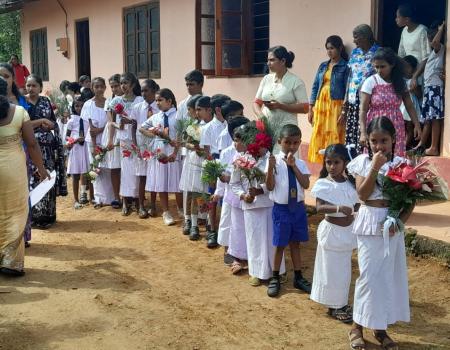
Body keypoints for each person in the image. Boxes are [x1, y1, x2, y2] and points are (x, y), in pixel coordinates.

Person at [347, 117, 412, 350]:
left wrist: (399, 222)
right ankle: (356, 326)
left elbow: (411, 201)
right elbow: (363, 195)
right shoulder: (362, 162)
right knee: (368, 276)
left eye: (384, 140)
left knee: (386, 277)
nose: (379, 146)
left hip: (391, 226)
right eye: (374, 141)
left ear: (393, 140)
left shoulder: (403, 164)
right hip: (369, 223)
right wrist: (375, 165)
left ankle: (380, 328)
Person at [0, 77, 48, 276]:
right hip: (13, 169)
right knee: (17, 211)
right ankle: (10, 261)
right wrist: (42, 169)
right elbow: (32, 144)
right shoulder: (19, 112)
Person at [310, 144, 358, 324]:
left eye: (336, 162)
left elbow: (356, 203)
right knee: (331, 270)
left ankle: (341, 302)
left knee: (343, 270)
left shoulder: (350, 184)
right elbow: (319, 207)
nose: (332, 166)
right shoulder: (324, 184)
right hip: (331, 232)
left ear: (345, 163)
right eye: (328, 162)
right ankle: (335, 305)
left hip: (347, 233)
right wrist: (338, 208)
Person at [231, 129, 285, 287]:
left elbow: (276, 184)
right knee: (254, 240)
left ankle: (277, 272)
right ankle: (256, 272)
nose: (257, 148)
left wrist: (260, 191)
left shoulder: (272, 160)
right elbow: (234, 184)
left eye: (261, 145)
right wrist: (243, 195)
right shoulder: (241, 160)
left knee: (272, 240)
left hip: (269, 205)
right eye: (254, 144)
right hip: (250, 206)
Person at [265, 124, 311, 297]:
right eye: (287, 142)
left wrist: (293, 167)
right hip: (282, 209)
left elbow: (305, 184)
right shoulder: (274, 161)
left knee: (296, 243)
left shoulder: (300, 163)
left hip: (298, 209)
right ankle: (275, 277)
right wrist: (270, 168)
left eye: (295, 143)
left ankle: (298, 277)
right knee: (280, 244)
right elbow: (269, 187)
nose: (292, 146)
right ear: (280, 142)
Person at [359, 47, 421, 156]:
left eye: (382, 66)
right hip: (375, 126)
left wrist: (417, 125)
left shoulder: (400, 83)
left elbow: (409, 106)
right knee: (376, 156)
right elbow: (363, 110)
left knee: (395, 157)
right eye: (376, 67)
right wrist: (363, 133)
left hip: (396, 125)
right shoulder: (370, 82)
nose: (379, 70)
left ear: (392, 65)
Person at [25, 74, 67, 229]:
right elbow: (23, 124)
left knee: (47, 177)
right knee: (32, 180)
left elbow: (53, 123)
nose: (31, 88)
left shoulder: (45, 101)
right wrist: (40, 122)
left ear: (40, 88)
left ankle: (48, 216)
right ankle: (33, 217)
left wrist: (49, 125)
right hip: (29, 148)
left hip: (47, 149)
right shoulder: (22, 102)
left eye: (34, 85)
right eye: (28, 85)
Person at [140, 88, 182, 225]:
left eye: (160, 100)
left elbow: (181, 135)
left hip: (174, 150)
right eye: (156, 100)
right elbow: (142, 128)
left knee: (177, 182)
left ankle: (181, 209)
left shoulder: (178, 116)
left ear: (169, 101)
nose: (157, 103)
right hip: (160, 151)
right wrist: (154, 134)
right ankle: (166, 212)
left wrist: (175, 152)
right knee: (161, 181)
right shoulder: (156, 117)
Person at [254, 46, 309, 148]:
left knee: (283, 161)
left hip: (286, 132)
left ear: (283, 61)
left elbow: (305, 108)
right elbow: (256, 103)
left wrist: (280, 106)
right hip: (267, 128)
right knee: (267, 161)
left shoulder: (296, 81)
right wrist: (260, 115)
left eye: (272, 60)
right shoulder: (266, 79)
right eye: (267, 60)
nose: (268, 63)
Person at [214, 116, 249, 265]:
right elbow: (221, 174)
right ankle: (227, 249)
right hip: (230, 194)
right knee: (228, 223)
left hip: (243, 194)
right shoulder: (227, 153)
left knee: (241, 226)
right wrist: (218, 192)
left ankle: (242, 253)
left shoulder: (248, 154)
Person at [308, 35, 349, 163]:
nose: (329, 51)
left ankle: (335, 162)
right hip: (321, 105)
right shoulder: (323, 66)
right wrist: (311, 107)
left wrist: (344, 110)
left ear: (340, 48)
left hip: (336, 104)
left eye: (332, 48)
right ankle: (323, 165)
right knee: (320, 133)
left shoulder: (346, 66)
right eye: (327, 48)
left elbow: (348, 90)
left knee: (334, 132)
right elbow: (315, 86)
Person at [343, 25, 379, 154]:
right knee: (352, 133)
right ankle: (353, 164)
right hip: (353, 99)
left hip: (369, 100)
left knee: (365, 131)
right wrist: (346, 97)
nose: (354, 41)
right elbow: (350, 76)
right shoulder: (355, 52)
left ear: (365, 37)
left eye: (356, 37)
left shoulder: (378, 53)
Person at [200, 94, 230, 248]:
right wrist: (215, 171)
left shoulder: (230, 124)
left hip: (230, 164)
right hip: (215, 165)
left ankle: (227, 230)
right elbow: (207, 152)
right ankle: (212, 229)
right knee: (213, 196)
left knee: (228, 199)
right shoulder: (208, 128)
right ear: (218, 109)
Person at [414, 22, 446, 156]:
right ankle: (421, 145)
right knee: (428, 118)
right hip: (429, 88)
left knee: (435, 119)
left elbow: (435, 43)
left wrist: (441, 29)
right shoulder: (434, 53)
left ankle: (433, 147)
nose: (429, 41)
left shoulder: (439, 49)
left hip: (434, 88)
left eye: (430, 38)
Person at [114, 73, 144, 216]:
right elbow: (112, 122)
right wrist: (120, 123)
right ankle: (126, 201)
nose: (123, 86)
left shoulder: (140, 99)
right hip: (125, 139)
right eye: (121, 83)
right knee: (126, 170)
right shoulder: (116, 101)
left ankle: (138, 201)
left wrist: (132, 121)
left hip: (137, 138)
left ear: (133, 84)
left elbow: (142, 120)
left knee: (138, 170)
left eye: (126, 83)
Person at [179, 95, 208, 238]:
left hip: (205, 162)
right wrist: (195, 147)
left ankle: (207, 221)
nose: (197, 113)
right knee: (191, 192)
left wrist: (202, 150)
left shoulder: (209, 125)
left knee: (204, 193)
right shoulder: (194, 126)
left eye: (199, 110)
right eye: (195, 110)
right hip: (193, 162)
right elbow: (186, 143)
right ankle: (190, 221)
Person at [131, 79, 160, 218]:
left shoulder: (159, 107)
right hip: (141, 144)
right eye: (142, 91)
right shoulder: (137, 107)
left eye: (146, 90)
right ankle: (141, 206)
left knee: (154, 175)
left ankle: (153, 205)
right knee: (142, 176)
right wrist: (135, 145)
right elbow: (133, 126)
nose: (143, 93)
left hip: (155, 144)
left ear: (154, 91)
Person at [82, 77, 112, 207]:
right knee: (94, 168)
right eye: (96, 86)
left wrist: (101, 130)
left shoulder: (109, 103)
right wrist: (94, 146)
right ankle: (95, 197)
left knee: (107, 168)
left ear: (105, 88)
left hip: (106, 139)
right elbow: (91, 127)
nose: (99, 89)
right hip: (93, 141)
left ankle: (110, 198)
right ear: (92, 88)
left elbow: (110, 122)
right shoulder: (88, 104)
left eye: (101, 86)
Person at [103, 74, 123, 209]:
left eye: (116, 85)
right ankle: (117, 196)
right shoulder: (110, 102)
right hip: (113, 133)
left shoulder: (131, 100)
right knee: (115, 167)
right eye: (112, 87)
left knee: (128, 167)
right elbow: (111, 122)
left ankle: (130, 196)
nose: (115, 89)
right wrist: (111, 139)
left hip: (127, 132)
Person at [66, 96, 90, 209]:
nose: (79, 108)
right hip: (76, 149)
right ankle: (76, 200)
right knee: (75, 175)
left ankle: (86, 195)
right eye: (76, 105)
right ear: (73, 107)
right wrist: (74, 140)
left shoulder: (87, 119)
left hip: (85, 148)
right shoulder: (71, 120)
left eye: (81, 105)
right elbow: (66, 136)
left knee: (86, 173)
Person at [396, 4, 431, 69]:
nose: (396, 19)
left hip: (420, 71)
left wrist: (415, 76)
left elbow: (426, 57)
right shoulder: (404, 30)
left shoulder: (422, 30)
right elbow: (401, 54)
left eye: (398, 17)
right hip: (408, 70)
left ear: (407, 19)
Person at [400, 55, 422, 149]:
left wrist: (414, 89)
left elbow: (419, 95)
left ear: (413, 68)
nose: (405, 69)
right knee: (402, 126)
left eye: (408, 67)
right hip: (402, 105)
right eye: (403, 66)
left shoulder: (416, 80)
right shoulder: (400, 80)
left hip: (411, 105)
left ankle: (405, 145)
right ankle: (402, 144)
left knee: (409, 127)